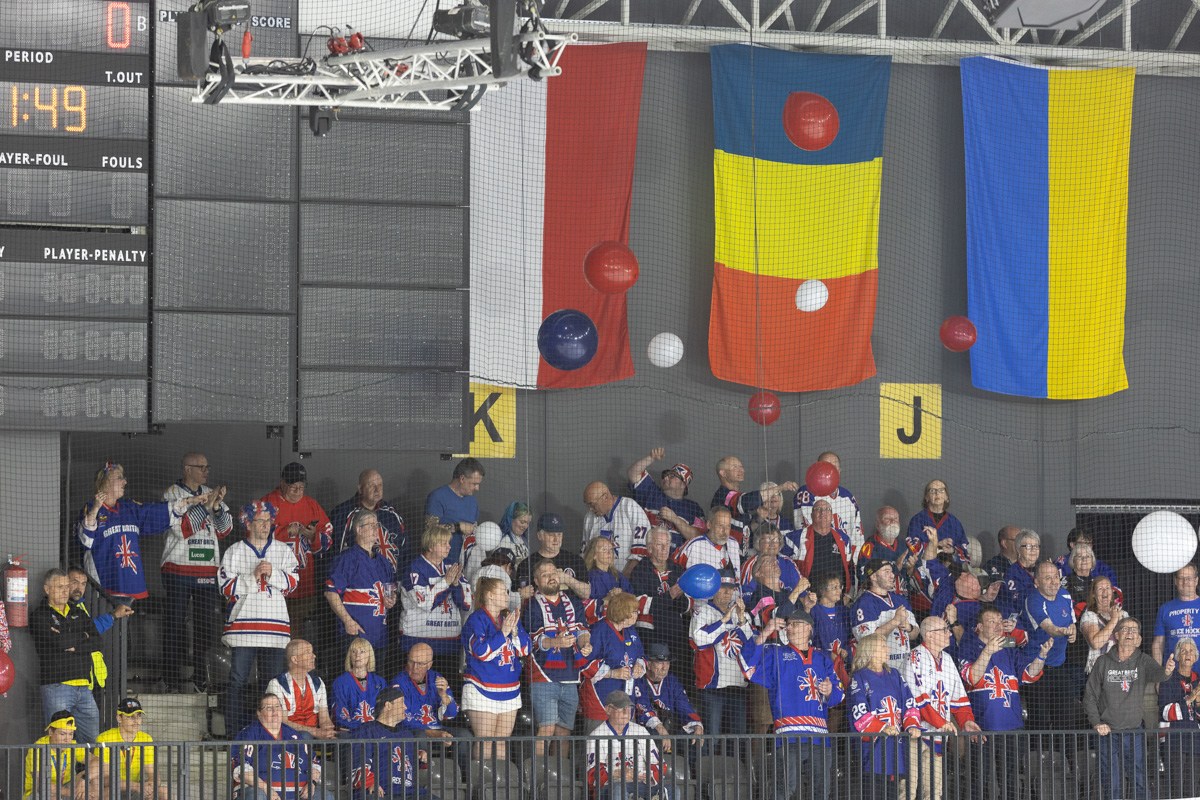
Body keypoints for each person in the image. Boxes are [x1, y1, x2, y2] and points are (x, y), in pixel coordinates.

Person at [739, 608, 845, 800]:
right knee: (784, 789)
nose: (789, 627)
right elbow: (747, 665)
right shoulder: (776, 653)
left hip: (820, 737)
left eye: (795, 624)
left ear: (808, 628)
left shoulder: (822, 658)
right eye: (788, 624)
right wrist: (766, 631)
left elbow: (839, 694)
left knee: (821, 790)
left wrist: (830, 691)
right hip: (788, 735)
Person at [218, 500, 301, 738]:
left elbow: (294, 583)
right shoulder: (234, 551)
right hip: (243, 630)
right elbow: (224, 587)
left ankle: (268, 734)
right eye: (259, 521)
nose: (265, 525)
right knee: (237, 682)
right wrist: (252, 577)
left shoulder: (283, 550)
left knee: (271, 685)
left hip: (275, 631)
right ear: (247, 523)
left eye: (268, 521)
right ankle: (234, 735)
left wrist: (272, 573)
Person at [77, 460, 210, 602]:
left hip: (131, 587)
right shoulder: (90, 508)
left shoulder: (130, 508)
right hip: (104, 588)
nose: (125, 482)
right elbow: (86, 540)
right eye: (119, 478)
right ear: (106, 482)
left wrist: (190, 500)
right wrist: (96, 508)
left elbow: (157, 511)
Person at [959, 605, 1052, 800]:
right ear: (979, 627)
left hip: (1012, 725)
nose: (997, 626)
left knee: (1010, 779)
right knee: (979, 778)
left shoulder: (1010, 648)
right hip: (981, 727)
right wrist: (988, 651)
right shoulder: (969, 646)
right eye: (991, 622)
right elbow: (971, 678)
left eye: (999, 621)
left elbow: (1029, 675)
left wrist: (1041, 656)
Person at [30, 568, 129, 743]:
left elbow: (97, 642)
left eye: (66, 586)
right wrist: (83, 636)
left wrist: (72, 642)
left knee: (93, 743)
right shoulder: (39, 615)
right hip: (57, 686)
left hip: (84, 687)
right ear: (47, 589)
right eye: (60, 587)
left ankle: (85, 765)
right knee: (59, 741)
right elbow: (59, 642)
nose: (65, 591)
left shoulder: (79, 612)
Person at [160, 451, 232, 692]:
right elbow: (182, 529)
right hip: (177, 570)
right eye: (201, 467)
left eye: (207, 467)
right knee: (174, 624)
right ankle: (171, 681)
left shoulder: (210, 492)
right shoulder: (172, 493)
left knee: (205, 627)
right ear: (186, 469)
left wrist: (217, 507)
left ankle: (202, 680)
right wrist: (206, 506)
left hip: (207, 571)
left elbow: (225, 530)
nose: (206, 471)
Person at [1085, 618, 1174, 800]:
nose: (1130, 633)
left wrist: (1167, 670)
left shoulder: (1143, 661)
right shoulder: (1102, 662)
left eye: (1134, 630)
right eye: (1125, 629)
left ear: (1139, 640)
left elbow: (1159, 675)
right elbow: (1089, 696)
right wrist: (1096, 723)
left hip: (1134, 732)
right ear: (1116, 635)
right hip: (1107, 732)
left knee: (1140, 779)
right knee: (1111, 781)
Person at [902, 616, 981, 800]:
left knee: (934, 793)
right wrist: (941, 722)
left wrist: (966, 721)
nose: (949, 633)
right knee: (908, 791)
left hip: (938, 735)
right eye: (944, 630)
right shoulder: (915, 657)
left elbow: (959, 697)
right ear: (929, 635)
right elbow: (918, 699)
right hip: (914, 735)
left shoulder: (947, 659)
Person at [522, 558, 592, 754]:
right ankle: (539, 771)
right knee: (546, 729)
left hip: (570, 676)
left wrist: (585, 644)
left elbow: (582, 630)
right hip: (543, 677)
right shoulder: (531, 605)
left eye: (553, 573)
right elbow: (534, 641)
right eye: (545, 575)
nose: (551, 577)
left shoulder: (573, 601)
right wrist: (556, 642)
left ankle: (559, 772)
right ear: (537, 581)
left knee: (564, 732)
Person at [259, 462, 333, 641]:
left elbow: (328, 536)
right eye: (294, 487)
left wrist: (314, 536)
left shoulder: (311, 504)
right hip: (273, 582)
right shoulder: (267, 503)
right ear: (282, 483)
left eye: (302, 486)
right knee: (272, 631)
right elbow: (252, 536)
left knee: (298, 633)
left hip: (302, 582)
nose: (298, 491)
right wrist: (284, 532)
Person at [461, 575, 531, 761]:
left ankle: (499, 779)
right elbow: (482, 652)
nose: (507, 596)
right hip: (481, 688)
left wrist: (514, 632)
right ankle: (481, 779)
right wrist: (503, 633)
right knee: (485, 741)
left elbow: (525, 650)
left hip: (510, 689)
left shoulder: (508, 617)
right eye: (503, 592)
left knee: (501, 742)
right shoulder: (476, 620)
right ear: (489, 595)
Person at [399, 522, 472, 692]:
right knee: (416, 692)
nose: (449, 547)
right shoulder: (415, 567)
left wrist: (455, 584)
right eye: (443, 543)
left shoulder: (451, 566)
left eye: (449, 543)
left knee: (446, 693)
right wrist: (445, 582)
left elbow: (467, 603)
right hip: (417, 643)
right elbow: (424, 602)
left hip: (448, 645)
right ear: (431, 546)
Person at [848, 632, 921, 800]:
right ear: (871, 651)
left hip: (896, 747)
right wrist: (882, 727)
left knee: (893, 793)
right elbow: (858, 711)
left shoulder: (894, 674)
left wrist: (912, 725)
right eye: (883, 646)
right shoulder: (859, 677)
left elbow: (909, 702)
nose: (888, 648)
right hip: (873, 751)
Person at [688, 572, 752, 751]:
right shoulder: (702, 611)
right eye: (723, 588)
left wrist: (741, 619)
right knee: (711, 737)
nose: (727, 592)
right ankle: (704, 769)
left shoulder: (740, 612)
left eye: (731, 589)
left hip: (738, 686)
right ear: (713, 589)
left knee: (737, 739)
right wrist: (723, 621)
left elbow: (752, 643)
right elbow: (698, 640)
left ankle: (735, 770)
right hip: (712, 686)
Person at [233, 693, 330, 800]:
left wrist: (312, 783)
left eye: (277, 706)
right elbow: (241, 768)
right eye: (269, 708)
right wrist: (266, 789)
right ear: (259, 713)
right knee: (256, 796)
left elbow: (314, 763)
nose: (275, 711)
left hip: (299, 794)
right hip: (264, 793)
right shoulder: (250, 734)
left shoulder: (294, 735)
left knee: (326, 796)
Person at [325, 510, 398, 654]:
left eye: (377, 525)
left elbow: (391, 590)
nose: (376, 529)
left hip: (379, 636)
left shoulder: (384, 562)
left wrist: (391, 599)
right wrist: (348, 621)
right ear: (358, 529)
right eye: (371, 525)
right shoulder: (347, 558)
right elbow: (330, 592)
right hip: (355, 634)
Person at [1024, 560, 1079, 734]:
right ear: (1037, 582)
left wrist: (1072, 632)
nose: (1054, 582)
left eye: (1056, 576)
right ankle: (1037, 750)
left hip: (1059, 664)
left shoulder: (1065, 595)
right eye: (1048, 578)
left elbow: (1072, 623)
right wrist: (1064, 631)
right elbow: (1051, 629)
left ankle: (1065, 750)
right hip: (1036, 667)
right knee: (1039, 720)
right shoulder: (1033, 600)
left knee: (1066, 718)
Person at [349, 688, 431, 800]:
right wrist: (370, 783)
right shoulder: (367, 730)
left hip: (409, 792)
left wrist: (422, 756)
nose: (405, 707)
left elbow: (412, 763)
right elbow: (358, 762)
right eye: (401, 702)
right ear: (388, 705)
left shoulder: (406, 734)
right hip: (382, 792)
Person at [586, 690, 669, 800]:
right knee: (620, 788)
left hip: (641, 785)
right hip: (611, 788)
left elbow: (660, 765)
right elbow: (592, 776)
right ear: (608, 710)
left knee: (672, 789)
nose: (626, 712)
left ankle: (638, 796)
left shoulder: (640, 731)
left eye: (629, 708)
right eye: (621, 708)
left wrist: (650, 775)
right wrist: (616, 774)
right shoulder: (597, 735)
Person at [582, 591, 648, 727]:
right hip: (600, 701)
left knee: (626, 739)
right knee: (601, 739)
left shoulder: (630, 629)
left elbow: (641, 654)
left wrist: (639, 665)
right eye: (634, 611)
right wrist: (613, 673)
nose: (638, 613)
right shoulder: (599, 630)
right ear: (623, 612)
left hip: (626, 700)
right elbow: (585, 664)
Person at [631, 642, 704, 754]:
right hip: (648, 732)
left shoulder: (672, 680)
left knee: (697, 740)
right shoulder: (638, 680)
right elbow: (643, 708)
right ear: (648, 664)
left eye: (667, 662)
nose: (664, 667)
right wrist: (660, 729)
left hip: (670, 729)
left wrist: (697, 726)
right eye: (660, 662)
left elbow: (684, 706)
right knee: (655, 737)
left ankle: (693, 766)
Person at [629, 526, 689, 661]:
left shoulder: (678, 570)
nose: (664, 548)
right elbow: (639, 605)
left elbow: (687, 607)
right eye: (659, 545)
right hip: (649, 633)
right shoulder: (639, 570)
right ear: (649, 548)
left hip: (675, 633)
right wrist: (670, 595)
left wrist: (679, 596)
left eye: (667, 544)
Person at [88, 698, 167, 800]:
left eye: (139, 716)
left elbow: (152, 772)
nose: (136, 721)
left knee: (164, 792)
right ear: (119, 718)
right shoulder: (105, 738)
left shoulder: (146, 738)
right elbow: (105, 779)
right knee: (107, 793)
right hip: (113, 788)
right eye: (130, 716)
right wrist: (137, 786)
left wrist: (152, 786)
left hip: (137, 786)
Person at [627, 448, 707, 547]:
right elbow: (632, 473)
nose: (665, 478)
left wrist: (675, 519)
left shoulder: (693, 508)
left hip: (676, 556)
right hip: (646, 553)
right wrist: (651, 458)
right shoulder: (651, 492)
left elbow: (699, 538)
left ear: (683, 484)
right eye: (666, 475)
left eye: (672, 476)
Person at [330, 469, 406, 572]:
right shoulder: (342, 514)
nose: (377, 490)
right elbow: (334, 554)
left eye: (380, 485)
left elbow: (405, 550)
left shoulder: (392, 514)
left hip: (390, 579)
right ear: (360, 489)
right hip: (357, 579)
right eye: (372, 485)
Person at [853, 560, 920, 668]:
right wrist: (895, 621)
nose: (892, 575)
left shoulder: (899, 599)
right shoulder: (864, 603)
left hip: (904, 666)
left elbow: (915, 634)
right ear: (873, 576)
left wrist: (909, 628)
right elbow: (867, 640)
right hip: (881, 668)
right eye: (887, 572)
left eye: (892, 572)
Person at [266, 639, 336, 740]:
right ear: (295, 660)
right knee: (305, 736)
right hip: (287, 736)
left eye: (312, 652)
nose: (314, 656)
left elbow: (324, 718)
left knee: (344, 737)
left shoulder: (318, 682)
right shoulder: (277, 684)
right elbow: (282, 721)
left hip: (314, 735)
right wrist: (315, 732)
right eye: (307, 652)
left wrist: (328, 730)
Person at [511, 512, 590, 600]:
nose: (556, 539)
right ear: (539, 536)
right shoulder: (527, 564)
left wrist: (568, 579)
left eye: (559, 534)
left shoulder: (575, 560)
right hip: (540, 608)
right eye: (551, 535)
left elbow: (586, 594)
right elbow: (521, 599)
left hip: (571, 608)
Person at [794, 450, 863, 549]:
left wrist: (855, 557)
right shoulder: (806, 493)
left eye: (834, 467)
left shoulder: (848, 497)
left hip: (843, 554)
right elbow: (803, 532)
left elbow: (857, 536)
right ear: (817, 469)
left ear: (839, 470)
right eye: (826, 466)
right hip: (814, 552)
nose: (831, 470)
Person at [1158, 637, 1200, 799]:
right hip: (1173, 741)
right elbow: (1165, 712)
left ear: (1195, 658)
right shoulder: (1168, 678)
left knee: (1192, 790)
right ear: (1177, 656)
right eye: (1183, 651)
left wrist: (1198, 704)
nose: (1188, 654)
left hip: (1195, 742)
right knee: (1176, 790)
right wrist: (1190, 698)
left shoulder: (1198, 679)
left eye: (1191, 651)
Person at [390, 643, 460, 738]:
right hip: (412, 731)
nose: (414, 668)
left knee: (463, 735)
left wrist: (443, 695)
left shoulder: (436, 678)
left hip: (437, 729)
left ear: (429, 665)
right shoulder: (398, 682)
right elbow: (400, 718)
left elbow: (451, 715)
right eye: (411, 662)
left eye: (420, 664)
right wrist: (431, 733)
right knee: (420, 736)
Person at [582, 481, 651, 577]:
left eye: (592, 504)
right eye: (588, 505)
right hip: (599, 579)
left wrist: (624, 578)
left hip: (630, 578)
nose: (590, 509)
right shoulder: (589, 517)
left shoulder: (630, 507)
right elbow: (585, 554)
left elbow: (641, 550)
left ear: (605, 497)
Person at [424, 456, 485, 562]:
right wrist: (458, 527)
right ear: (462, 479)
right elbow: (429, 529)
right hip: (441, 564)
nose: (477, 488)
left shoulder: (473, 501)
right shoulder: (437, 497)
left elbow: (474, 530)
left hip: (466, 565)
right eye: (474, 484)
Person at [792, 499, 854, 598]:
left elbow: (850, 568)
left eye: (827, 509)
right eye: (818, 509)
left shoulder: (844, 538)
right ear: (811, 515)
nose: (823, 512)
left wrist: (848, 595)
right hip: (808, 599)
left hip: (836, 599)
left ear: (832, 516)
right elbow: (785, 569)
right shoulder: (795, 538)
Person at [903, 479, 968, 567]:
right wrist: (938, 544)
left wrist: (953, 551)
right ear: (926, 497)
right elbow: (911, 548)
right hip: (925, 569)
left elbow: (965, 554)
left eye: (941, 490)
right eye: (932, 490)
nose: (937, 493)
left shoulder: (955, 523)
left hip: (950, 569)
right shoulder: (917, 520)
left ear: (946, 496)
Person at [23, 711, 87, 800]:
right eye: (62, 734)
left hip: (66, 788)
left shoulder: (73, 745)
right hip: (40, 793)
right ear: (50, 732)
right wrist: (71, 792)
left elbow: (96, 761)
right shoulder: (37, 749)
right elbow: (41, 785)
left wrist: (83, 777)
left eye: (70, 734)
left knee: (90, 787)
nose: (67, 739)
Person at [464, 500, 531, 585]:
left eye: (528, 523)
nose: (525, 526)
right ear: (511, 519)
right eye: (522, 522)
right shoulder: (501, 539)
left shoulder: (523, 540)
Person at [855, 506, 916, 599]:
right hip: (878, 602)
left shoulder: (906, 546)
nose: (892, 521)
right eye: (887, 518)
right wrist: (895, 568)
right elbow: (864, 578)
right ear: (877, 524)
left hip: (904, 602)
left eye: (896, 518)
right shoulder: (869, 547)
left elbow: (922, 583)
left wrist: (911, 571)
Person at [331, 638, 388, 733]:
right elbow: (339, 716)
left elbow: (385, 712)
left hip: (375, 732)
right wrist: (362, 726)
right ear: (350, 656)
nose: (357, 655)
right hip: (351, 732)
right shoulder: (341, 682)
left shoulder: (379, 682)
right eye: (354, 652)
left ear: (369, 655)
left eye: (362, 652)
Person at [672, 507, 741, 575]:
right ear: (709, 525)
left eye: (728, 526)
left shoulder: (733, 544)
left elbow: (738, 579)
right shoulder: (694, 546)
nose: (725, 531)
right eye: (720, 525)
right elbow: (671, 568)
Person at [1154, 563, 1200, 666]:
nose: (1185, 582)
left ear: (1196, 580)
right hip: (1173, 673)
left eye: (1189, 578)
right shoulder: (1165, 609)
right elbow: (1158, 644)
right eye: (1181, 578)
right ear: (1175, 581)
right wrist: (1158, 672)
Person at [583, 537, 637, 624]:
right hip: (598, 624)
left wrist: (621, 595)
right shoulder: (588, 577)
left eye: (610, 549)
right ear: (594, 555)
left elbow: (632, 598)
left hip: (621, 623)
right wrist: (607, 599)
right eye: (604, 550)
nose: (609, 552)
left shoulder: (618, 576)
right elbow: (585, 607)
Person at [1080, 575, 1127, 675]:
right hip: (1099, 673)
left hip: (1121, 670)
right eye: (1100, 589)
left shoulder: (1123, 614)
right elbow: (1096, 644)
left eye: (1108, 588)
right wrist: (1114, 620)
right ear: (1093, 594)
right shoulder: (1089, 615)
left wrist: (1120, 621)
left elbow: (1130, 644)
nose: (1105, 591)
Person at [996, 529, 1042, 623]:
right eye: (1028, 546)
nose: (1033, 550)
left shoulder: (1044, 568)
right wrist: (1035, 587)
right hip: (1022, 623)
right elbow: (1014, 606)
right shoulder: (1011, 573)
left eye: (1036, 546)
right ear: (1018, 550)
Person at [1054, 527, 1120, 591]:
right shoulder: (1061, 564)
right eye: (1083, 543)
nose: (1087, 547)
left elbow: (1114, 589)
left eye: (1089, 543)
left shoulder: (1100, 565)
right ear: (1073, 545)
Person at [739, 523, 801, 591]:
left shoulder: (789, 563)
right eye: (767, 540)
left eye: (776, 540)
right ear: (758, 543)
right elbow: (746, 596)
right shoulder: (749, 566)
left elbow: (802, 591)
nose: (772, 544)